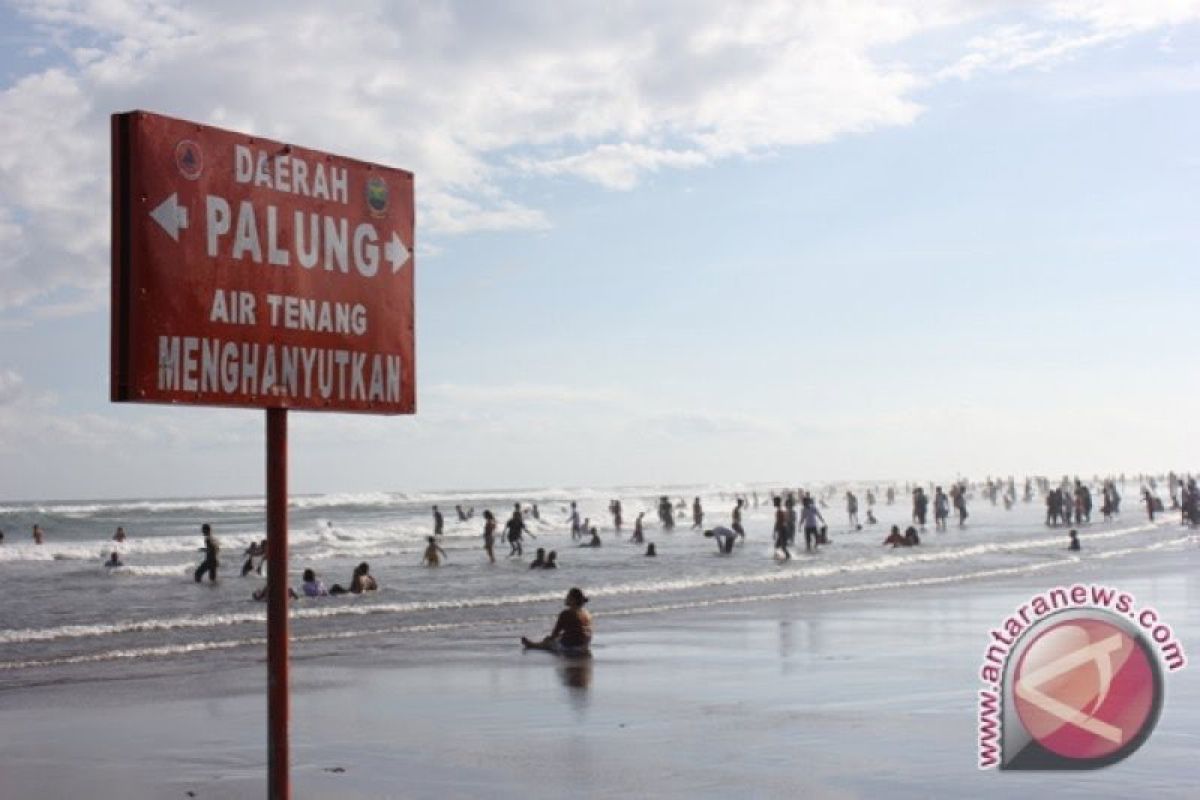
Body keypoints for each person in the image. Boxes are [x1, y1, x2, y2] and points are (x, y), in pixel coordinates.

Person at [521, 587, 592, 656]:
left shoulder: (566, 613)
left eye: (568, 596)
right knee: (560, 636)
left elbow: (555, 633)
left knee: (549, 642)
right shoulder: (587, 613)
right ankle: (538, 644)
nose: (566, 598)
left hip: (571, 647)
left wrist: (549, 639)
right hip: (585, 645)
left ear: (573, 600)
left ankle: (533, 645)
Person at [772, 496, 790, 560]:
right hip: (783, 530)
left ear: (777, 502)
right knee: (777, 546)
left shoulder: (780, 510)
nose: (773, 503)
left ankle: (788, 558)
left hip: (782, 530)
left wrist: (774, 531)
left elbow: (778, 522)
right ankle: (777, 557)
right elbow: (785, 520)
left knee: (783, 547)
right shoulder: (782, 509)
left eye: (774, 502)